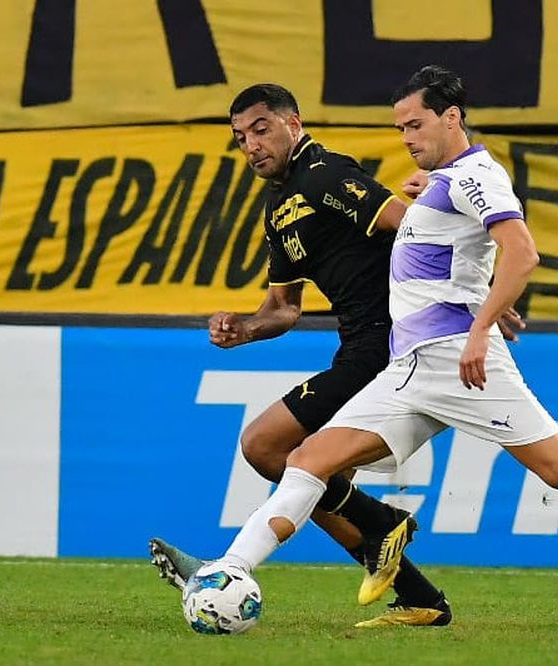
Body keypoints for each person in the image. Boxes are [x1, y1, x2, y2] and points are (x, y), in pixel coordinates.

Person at [176, 66, 558, 608]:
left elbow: (522, 249)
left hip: (456, 359)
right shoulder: (439, 182)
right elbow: (441, 249)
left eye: (415, 124)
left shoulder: (474, 176)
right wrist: (477, 282)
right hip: (408, 367)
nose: (405, 137)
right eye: (401, 126)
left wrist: (484, 322)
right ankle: (228, 572)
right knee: (306, 462)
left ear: (451, 117)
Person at [149, 82, 497, 627]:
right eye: (241, 139)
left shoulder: (327, 174)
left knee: (269, 447)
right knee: (283, 455)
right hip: (358, 346)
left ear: (293, 123)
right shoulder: (278, 205)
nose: (252, 146)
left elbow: (410, 225)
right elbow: (284, 309)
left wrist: (474, 295)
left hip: (390, 344)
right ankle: (414, 585)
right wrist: (244, 327)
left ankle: (376, 531)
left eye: (261, 130)